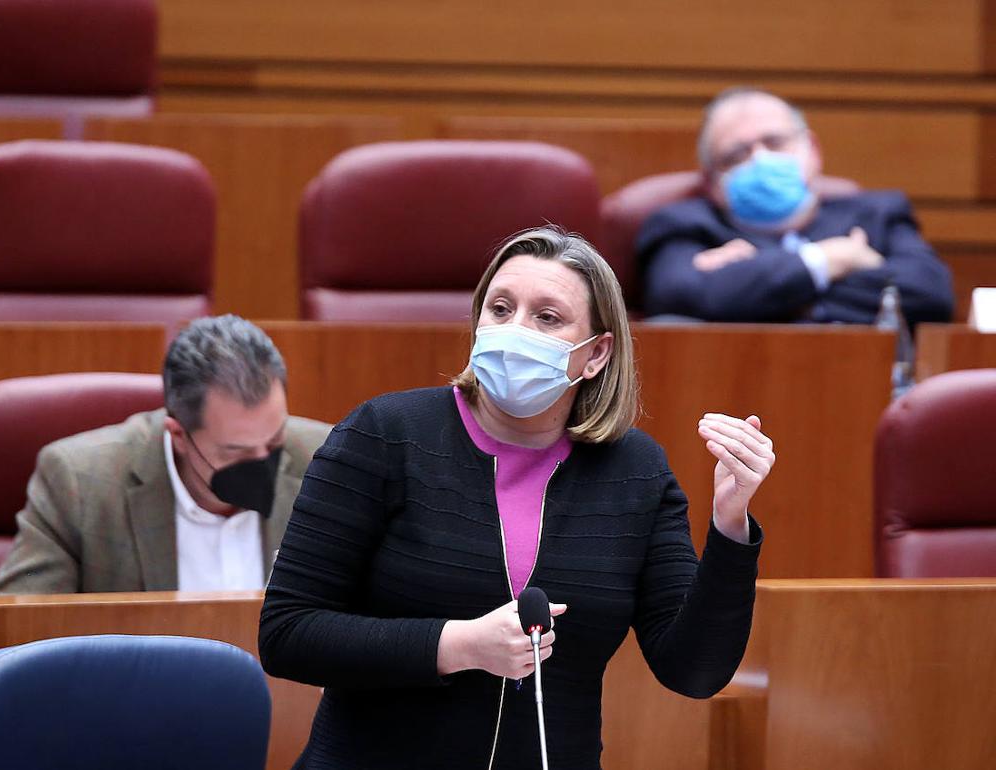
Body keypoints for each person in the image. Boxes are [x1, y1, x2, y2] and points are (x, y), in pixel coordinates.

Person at [259, 226, 773, 769]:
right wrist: (457, 646)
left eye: (547, 317)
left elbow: (693, 671)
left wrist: (730, 524)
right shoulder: (385, 435)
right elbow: (288, 632)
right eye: (500, 309)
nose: (514, 330)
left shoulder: (635, 471)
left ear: (596, 354)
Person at [0, 315, 331, 594]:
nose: (262, 464)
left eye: (274, 443)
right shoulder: (79, 483)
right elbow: (16, 632)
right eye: (235, 451)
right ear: (179, 435)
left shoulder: (330, 463)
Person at [637, 87, 954, 324]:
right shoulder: (683, 224)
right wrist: (831, 258)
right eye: (736, 155)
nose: (760, 159)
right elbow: (678, 297)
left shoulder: (878, 214)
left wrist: (753, 291)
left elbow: (930, 295)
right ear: (711, 182)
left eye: (775, 143)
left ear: (812, 149)